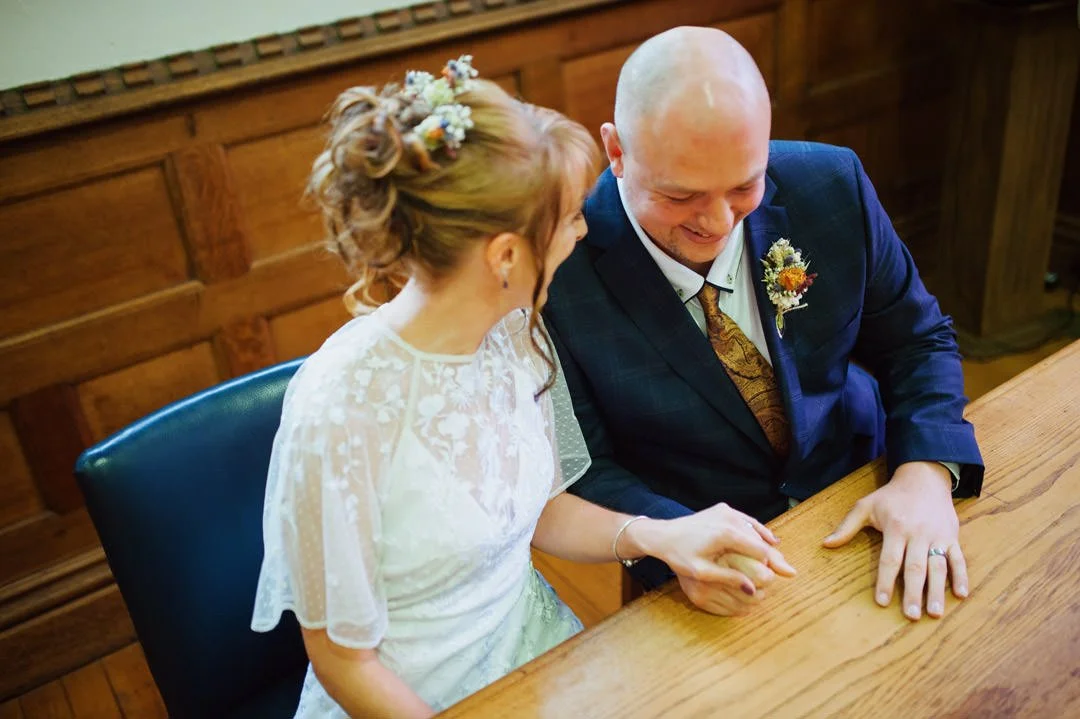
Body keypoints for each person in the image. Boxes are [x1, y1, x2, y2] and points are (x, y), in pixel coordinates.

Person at [251, 57, 795, 718]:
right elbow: (343, 661)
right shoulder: (341, 406)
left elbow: (542, 506)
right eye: (569, 219)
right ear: (506, 255)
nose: (584, 231)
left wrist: (655, 535)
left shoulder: (516, 336)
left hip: (538, 658)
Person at [544, 27, 985, 622]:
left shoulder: (831, 184)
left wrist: (925, 473)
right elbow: (587, 468)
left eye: (744, 186)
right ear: (617, 150)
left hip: (867, 494)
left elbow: (916, 339)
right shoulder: (560, 270)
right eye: (681, 195)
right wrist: (681, 542)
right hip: (700, 571)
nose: (718, 221)